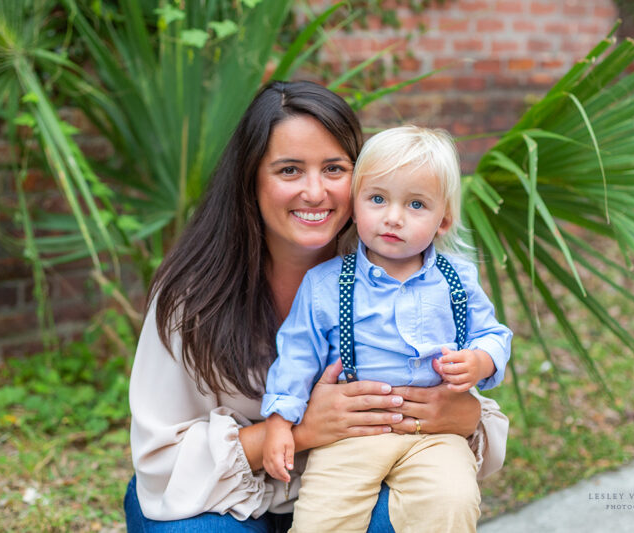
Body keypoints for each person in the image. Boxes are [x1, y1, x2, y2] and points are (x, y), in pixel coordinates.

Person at [124, 81, 510, 533]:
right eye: (289, 170)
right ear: (251, 178)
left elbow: (451, 369)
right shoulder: (192, 294)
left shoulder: (394, 259)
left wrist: (462, 413)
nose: (315, 192)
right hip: (219, 497)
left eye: (333, 168)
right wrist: (300, 430)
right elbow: (161, 461)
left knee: (412, 514)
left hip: (346, 478)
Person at [260, 126, 513, 533]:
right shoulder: (327, 283)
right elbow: (297, 353)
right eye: (378, 199)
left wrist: (480, 361)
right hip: (350, 438)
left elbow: (493, 335)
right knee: (323, 520)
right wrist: (277, 423)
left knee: (452, 502)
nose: (393, 217)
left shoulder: (457, 281)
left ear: (443, 220)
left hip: (435, 434)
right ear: (355, 205)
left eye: (416, 204)